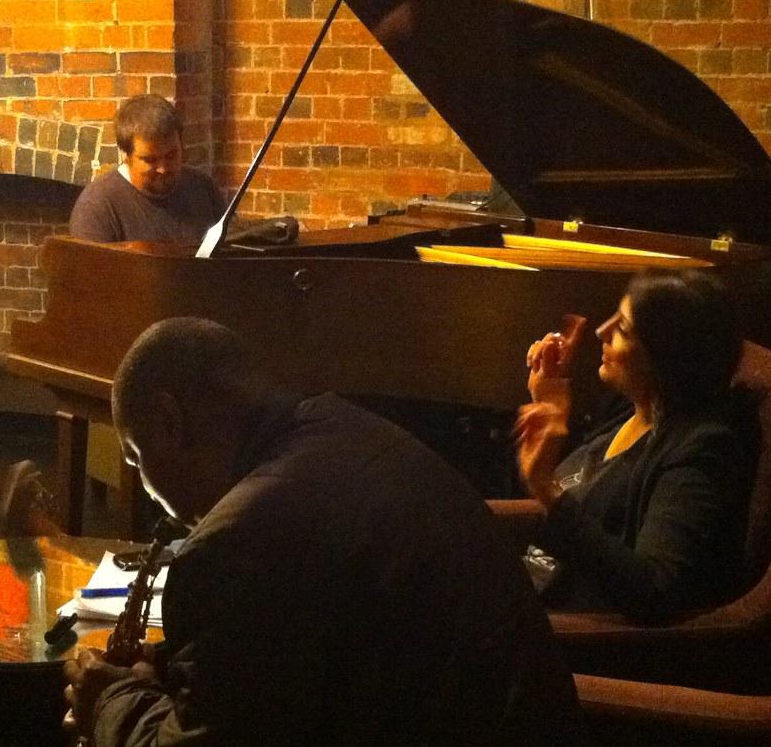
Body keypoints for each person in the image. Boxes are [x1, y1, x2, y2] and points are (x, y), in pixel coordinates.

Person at [63, 317, 585, 747]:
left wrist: (110, 701)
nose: (147, 487)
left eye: (136, 457)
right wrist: (175, 668)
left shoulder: (235, 543)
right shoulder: (347, 428)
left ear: (169, 421)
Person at [516, 269, 754, 623]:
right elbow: (585, 494)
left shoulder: (703, 448)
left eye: (623, 329)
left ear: (666, 355)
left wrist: (546, 489)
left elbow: (654, 589)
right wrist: (549, 402)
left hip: (566, 629)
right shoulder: (632, 410)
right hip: (524, 592)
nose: (602, 331)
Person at [68, 94, 225, 244]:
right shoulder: (97, 205)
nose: (163, 169)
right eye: (150, 160)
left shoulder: (202, 187)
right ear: (127, 156)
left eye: (171, 155)